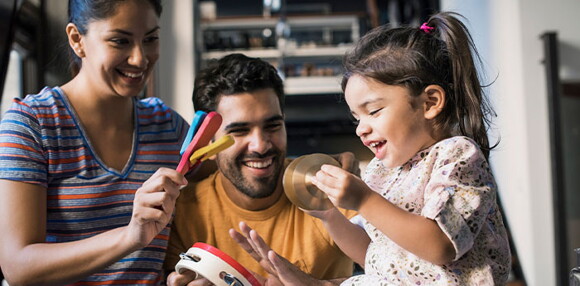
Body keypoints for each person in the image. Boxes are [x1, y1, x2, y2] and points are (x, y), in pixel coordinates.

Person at [234, 12, 512, 285]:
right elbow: (373, 256)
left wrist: (364, 200)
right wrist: (329, 216)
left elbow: (441, 246)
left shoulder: (457, 156)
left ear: (430, 103)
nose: (360, 129)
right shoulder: (383, 171)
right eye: (357, 118)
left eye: (374, 111)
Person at [0, 1, 189, 285]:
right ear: (77, 39)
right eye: (120, 41)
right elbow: (18, 267)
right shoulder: (32, 124)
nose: (140, 58)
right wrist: (129, 236)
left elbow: (223, 197)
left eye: (150, 38)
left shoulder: (168, 127)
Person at [163, 53, 361, 285]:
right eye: (239, 131)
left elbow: (400, 274)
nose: (261, 145)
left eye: (273, 125)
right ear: (207, 141)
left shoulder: (328, 190)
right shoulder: (181, 213)